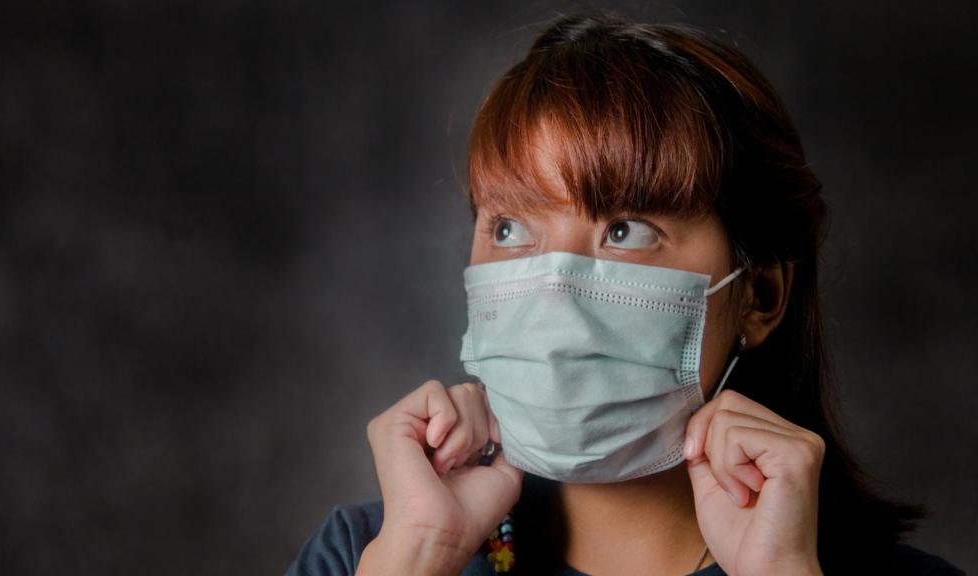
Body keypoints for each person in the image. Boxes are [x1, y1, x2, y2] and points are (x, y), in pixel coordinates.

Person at [287, 11, 965, 576]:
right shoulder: (366, 553)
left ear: (758, 295)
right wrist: (416, 556)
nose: (553, 286)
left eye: (625, 229)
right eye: (509, 225)